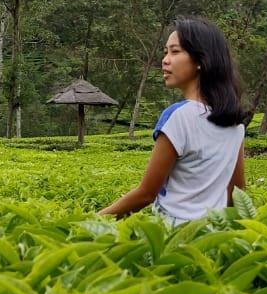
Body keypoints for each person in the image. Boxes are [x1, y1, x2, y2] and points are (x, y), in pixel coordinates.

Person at [99, 17, 249, 224]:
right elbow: (237, 193)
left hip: (173, 236)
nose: (165, 60)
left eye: (175, 52)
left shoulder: (178, 116)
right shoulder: (236, 122)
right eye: (165, 52)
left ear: (200, 60)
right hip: (212, 235)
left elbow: (146, 194)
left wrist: (92, 221)